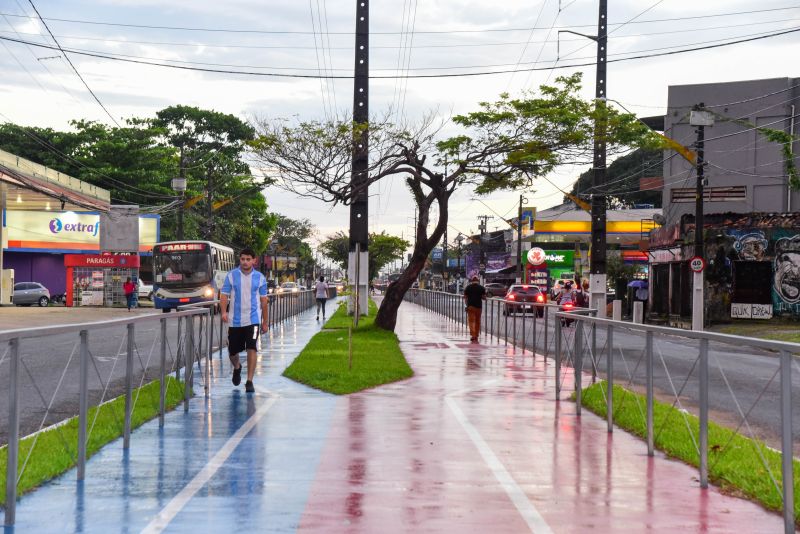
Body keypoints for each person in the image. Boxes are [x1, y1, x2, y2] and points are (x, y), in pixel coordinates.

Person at [220, 248, 269, 394]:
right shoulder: (231, 275)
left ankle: (249, 381)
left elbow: (264, 301)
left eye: (248, 259)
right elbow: (224, 295)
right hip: (235, 321)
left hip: (253, 319)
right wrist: (223, 312)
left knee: (252, 347)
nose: (245, 262)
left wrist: (265, 321)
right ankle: (237, 367)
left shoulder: (260, 278)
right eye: (243, 259)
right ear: (239, 260)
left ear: (254, 260)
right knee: (232, 350)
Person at [463, 275, 486, 342]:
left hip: (470, 306)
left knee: (471, 321)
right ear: (478, 281)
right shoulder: (482, 288)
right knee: (477, 321)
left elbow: (465, 298)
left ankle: (473, 335)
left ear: (472, 281)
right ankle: (476, 335)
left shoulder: (468, 287)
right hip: (479, 307)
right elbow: (484, 298)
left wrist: (466, 306)